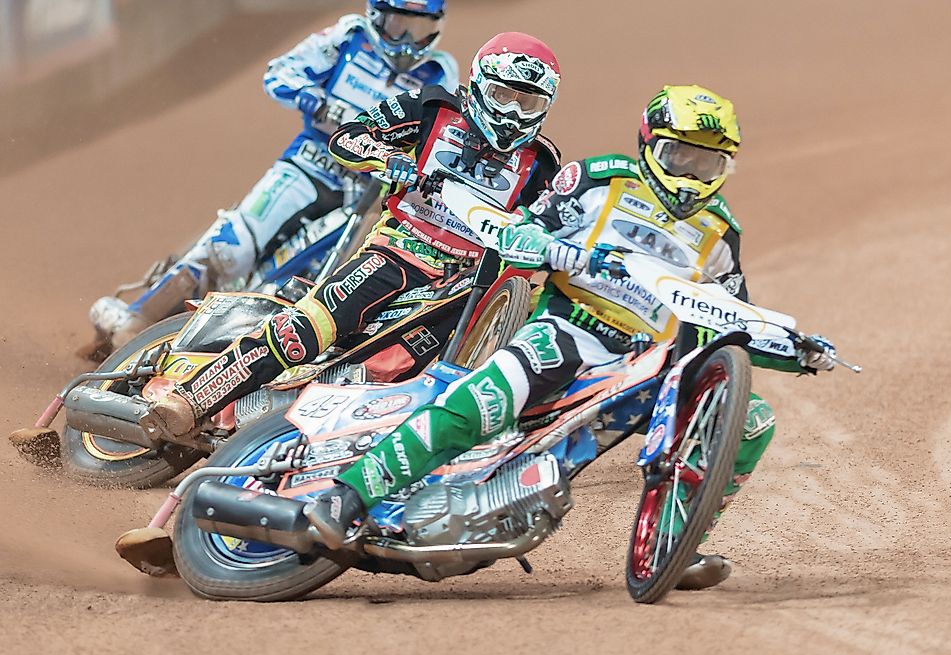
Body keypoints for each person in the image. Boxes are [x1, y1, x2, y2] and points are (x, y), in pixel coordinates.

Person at [300, 84, 839, 590]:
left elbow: (732, 318)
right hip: (568, 328)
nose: (692, 176)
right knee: (482, 404)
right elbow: (524, 228)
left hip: (650, 361)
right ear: (651, 144)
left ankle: (679, 538)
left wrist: (799, 350)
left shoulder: (721, 232)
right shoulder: (597, 179)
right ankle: (348, 496)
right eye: (682, 158)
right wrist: (547, 247)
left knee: (751, 422)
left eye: (708, 163)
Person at [148, 32, 563, 436]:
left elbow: (557, 231)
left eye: (528, 101)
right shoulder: (431, 108)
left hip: (464, 283)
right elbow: (350, 136)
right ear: (478, 85)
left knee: (399, 366)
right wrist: (386, 157)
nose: (513, 112)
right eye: (504, 95)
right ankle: (190, 398)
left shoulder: (542, 164)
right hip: (398, 251)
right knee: (311, 326)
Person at [89, 1, 459, 350]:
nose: (408, 41)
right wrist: (311, 98)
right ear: (377, 17)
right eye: (399, 26)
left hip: (367, 194)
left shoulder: (440, 72)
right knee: (233, 248)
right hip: (310, 163)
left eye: (419, 28)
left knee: (309, 282)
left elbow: (442, 137)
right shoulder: (350, 38)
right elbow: (280, 72)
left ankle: (225, 346)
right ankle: (137, 319)